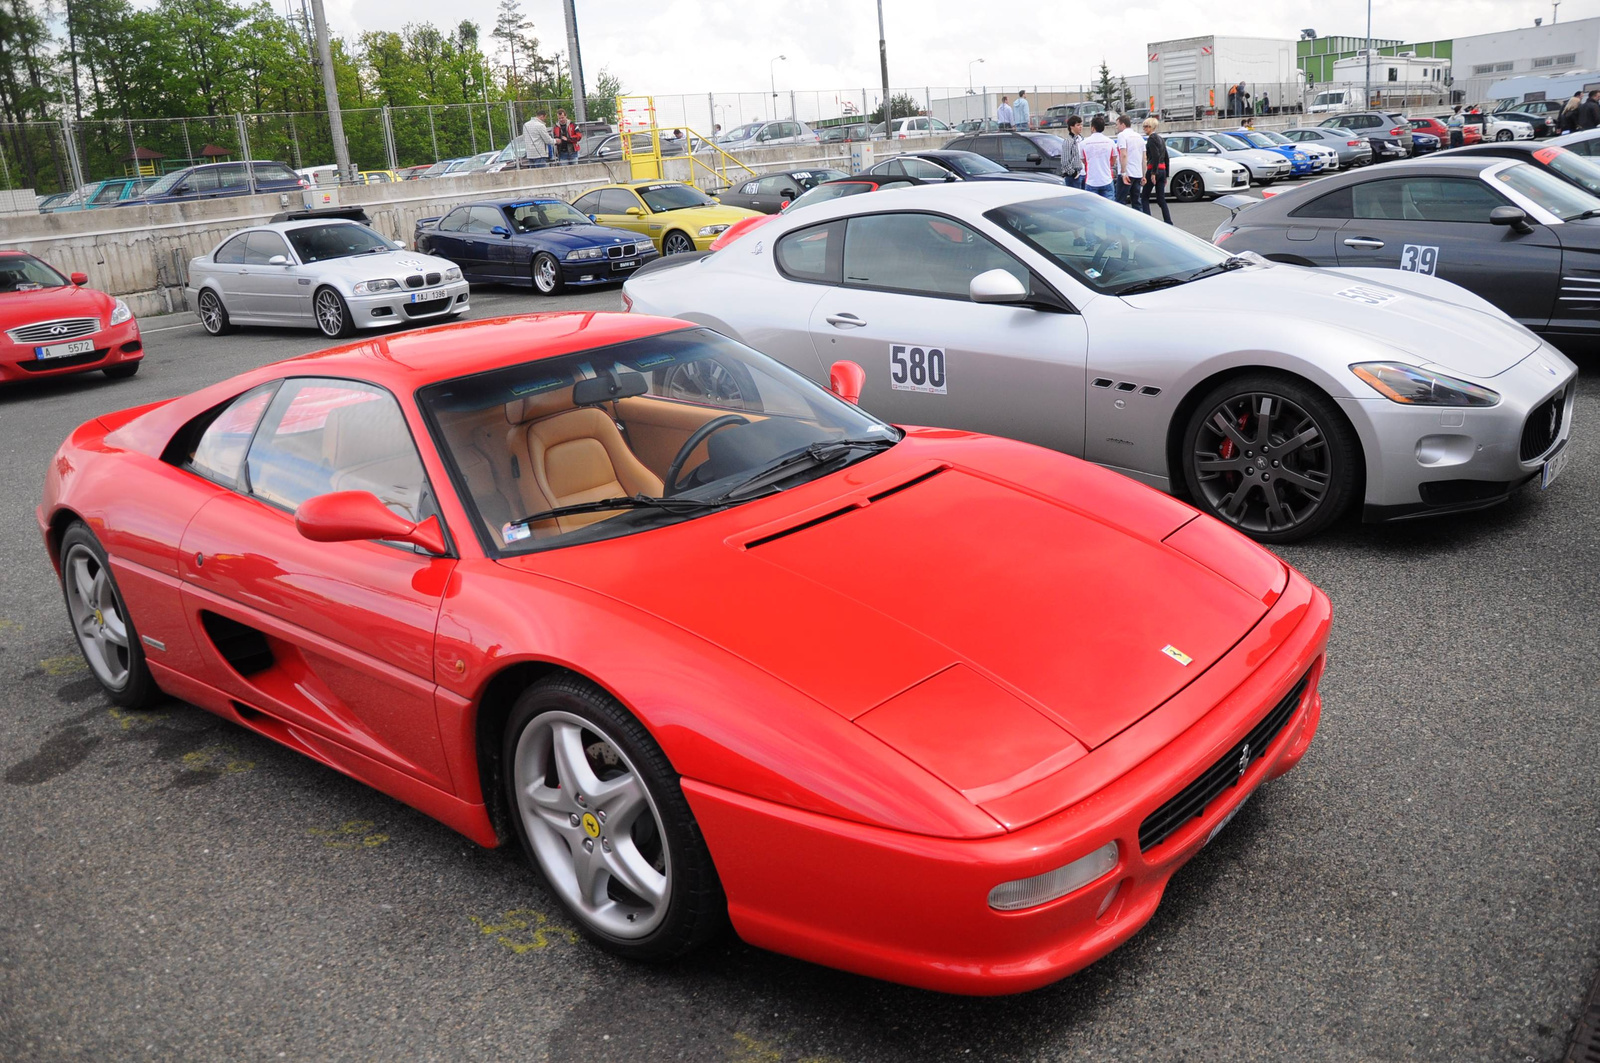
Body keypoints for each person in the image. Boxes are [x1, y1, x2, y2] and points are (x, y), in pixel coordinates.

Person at [1141, 117, 1172, 224]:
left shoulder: (1151, 139)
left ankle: (1147, 221)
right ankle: (1168, 221)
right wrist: (1166, 174)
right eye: (1144, 126)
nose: (1145, 128)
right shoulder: (1161, 139)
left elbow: (1155, 155)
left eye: (1147, 126)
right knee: (1161, 199)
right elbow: (1166, 157)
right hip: (1162, 170)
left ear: (1152, 127)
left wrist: (1153, 173)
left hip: (1153, 170)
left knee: (1144, 197)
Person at [1081, 114, 1118, 200]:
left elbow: (1083, 160)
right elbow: (1113, 159)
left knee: (1092, 209)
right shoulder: (1110, 142)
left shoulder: (1084, 143)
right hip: (1107, 179)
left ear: (1092, 127)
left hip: (1091, 180)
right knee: (1109, 207)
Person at [1115, 114, 1146, 212]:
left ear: (1123, 124)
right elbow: (1144, 158)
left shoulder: (1122, 135)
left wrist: (1123, 173)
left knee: (1120, 202)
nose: (1117, 127)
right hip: (1137, 173)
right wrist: (1143, 175)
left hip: (1127, 173)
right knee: (1136, 202)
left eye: (1117, 125)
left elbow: (1123, 154)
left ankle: (1119, 226)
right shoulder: (1139, 137)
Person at [1061, 115, 1085, 189]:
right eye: (1078, 125)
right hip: (1074, 177)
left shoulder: (1082, 139)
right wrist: (1074, 174)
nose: (1080, 127)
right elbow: (1065, 161)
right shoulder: (1068, 141)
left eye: (1081, 124)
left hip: (1084, 174)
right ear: (1071, 127)